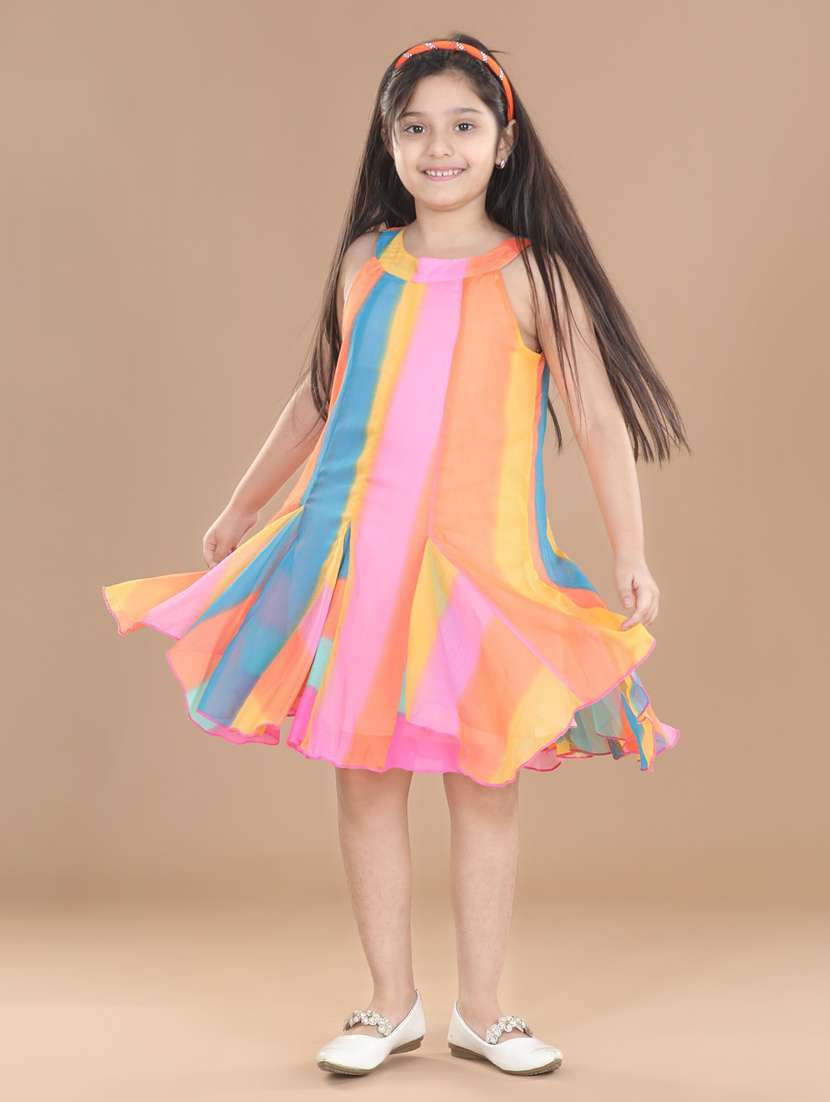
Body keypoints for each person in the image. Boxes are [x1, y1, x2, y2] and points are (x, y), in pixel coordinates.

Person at [101, 31, 688, 1078]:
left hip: (480, 572)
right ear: (389, 143)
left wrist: (630, 550)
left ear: (502, 143)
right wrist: (242, 504)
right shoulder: (365, 263)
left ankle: (484, 1011)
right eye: (415, 128)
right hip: (360, 562)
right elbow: (319, 397)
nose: (439, 147)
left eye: (463, 126)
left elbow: (597, 418)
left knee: (484, 781)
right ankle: (388, 1004)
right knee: (365, 777)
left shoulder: (533, 276)